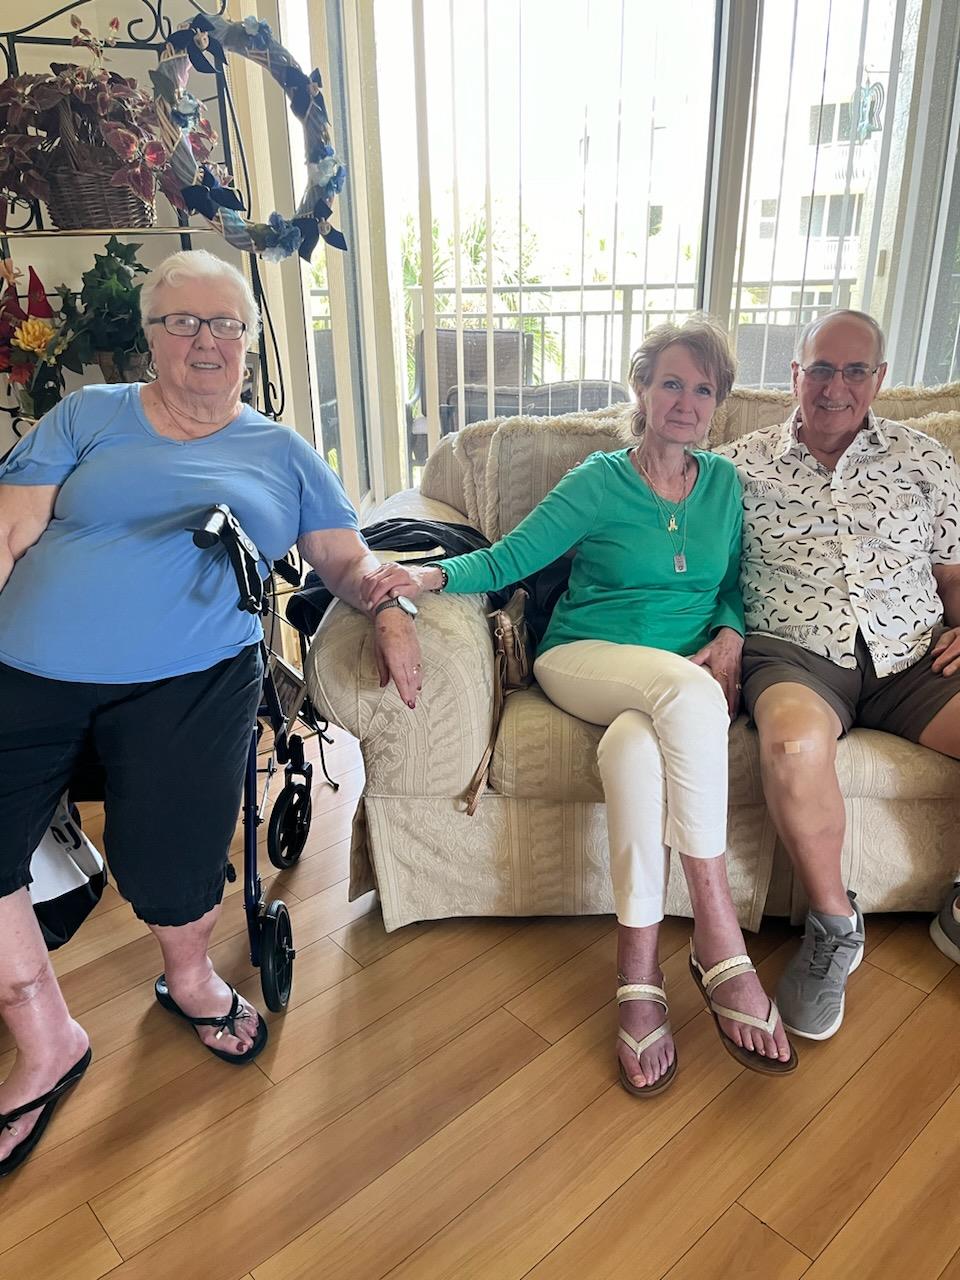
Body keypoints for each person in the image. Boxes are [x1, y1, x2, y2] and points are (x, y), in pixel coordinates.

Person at [0, 248, 422, 1176]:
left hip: (191, 673)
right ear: (149, 338)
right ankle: (45, 1037)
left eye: (225, 324)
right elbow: (10, 529)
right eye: (182, 322)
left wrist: (390, 610)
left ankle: (190, 979)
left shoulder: (280, 450)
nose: (205, 341)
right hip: (25, 663)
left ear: (250, 341)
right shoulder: (88, 416)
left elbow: (347, 561)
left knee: (173, 849)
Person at [361, 316, 797, 1097]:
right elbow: (510, 556)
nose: (686, 401)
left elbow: (734, 586)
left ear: (718, 403)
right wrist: (426, 579)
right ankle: (716, 935)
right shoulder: (600, 478)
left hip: (675, 680)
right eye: (671, 382)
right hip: (584, 659)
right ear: (642, 389)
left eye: (703, 389)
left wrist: (730, 634)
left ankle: (638, 970)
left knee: (633, 750)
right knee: (689, 692)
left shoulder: (726, 485)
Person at [718, 308, 960, 1041]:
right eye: (820, 368)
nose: (834, 386)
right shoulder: (736, 466)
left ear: (879, 378)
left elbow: (954, 572)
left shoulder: (926, 461)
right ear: (794, 374)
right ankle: (833, 925)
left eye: (855, 370)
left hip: (914, 652)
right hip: (795, 653)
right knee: (791, 744)